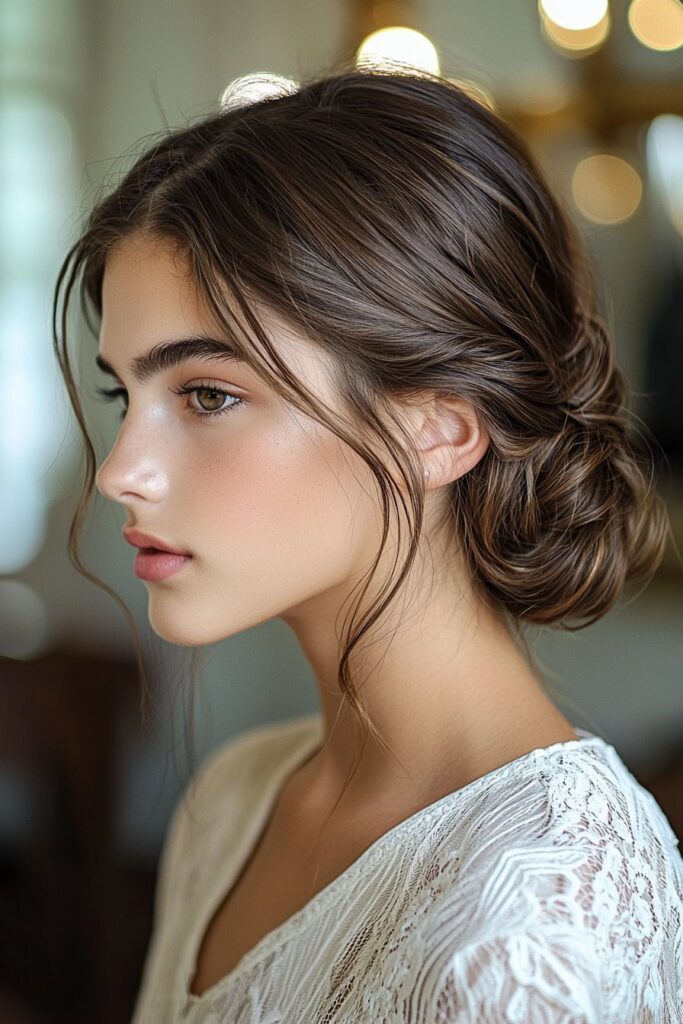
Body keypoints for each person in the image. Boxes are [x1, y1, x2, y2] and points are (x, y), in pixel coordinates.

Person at [52, 65, 683, 1022]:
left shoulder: (527, 929)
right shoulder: (235, 803)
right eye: (122, 395)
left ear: (437, 428)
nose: (120, 472)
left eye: (207, 395)